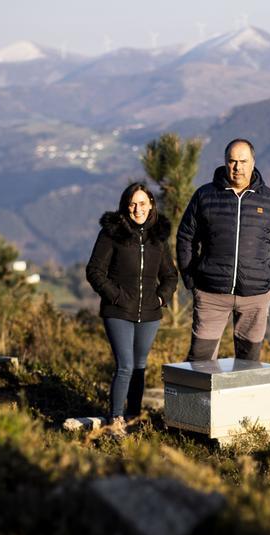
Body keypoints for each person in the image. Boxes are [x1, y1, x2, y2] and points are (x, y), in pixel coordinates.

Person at [176, 138, 270, 362]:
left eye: (243, 161)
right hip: (211, 294)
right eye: (232, 161)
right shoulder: (205, 195)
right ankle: (198, 400)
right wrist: (192, 280)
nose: (237, 167)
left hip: (255, 297)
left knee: (248, 365)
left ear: (253, 162)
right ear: (225, 162)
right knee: (200, 362)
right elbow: (185, 237)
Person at [86, 182, 178, 432]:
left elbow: (170, 275)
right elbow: (94, 271)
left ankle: (133, 416)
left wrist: (160, 299)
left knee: (140, 366)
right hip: (118, 312)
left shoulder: (158, 237)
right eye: (133, 204)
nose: (138, 209)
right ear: (126, 206)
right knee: (125, 365)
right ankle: (116, 419)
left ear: (151, 205)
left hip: (149, 313)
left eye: (143, 204)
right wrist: (115, 297)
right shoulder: (112, 233)